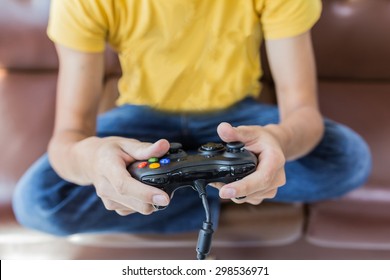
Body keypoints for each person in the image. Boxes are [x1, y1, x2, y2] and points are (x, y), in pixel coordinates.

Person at [13, 0, 371, 236]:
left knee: (348, 159)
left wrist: (279, 141)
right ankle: (213, 181)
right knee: (38, 203)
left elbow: (302, 112)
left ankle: (176, 182)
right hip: (140, 125)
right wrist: (92, 160)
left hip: (236, 120)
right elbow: (69, 136)